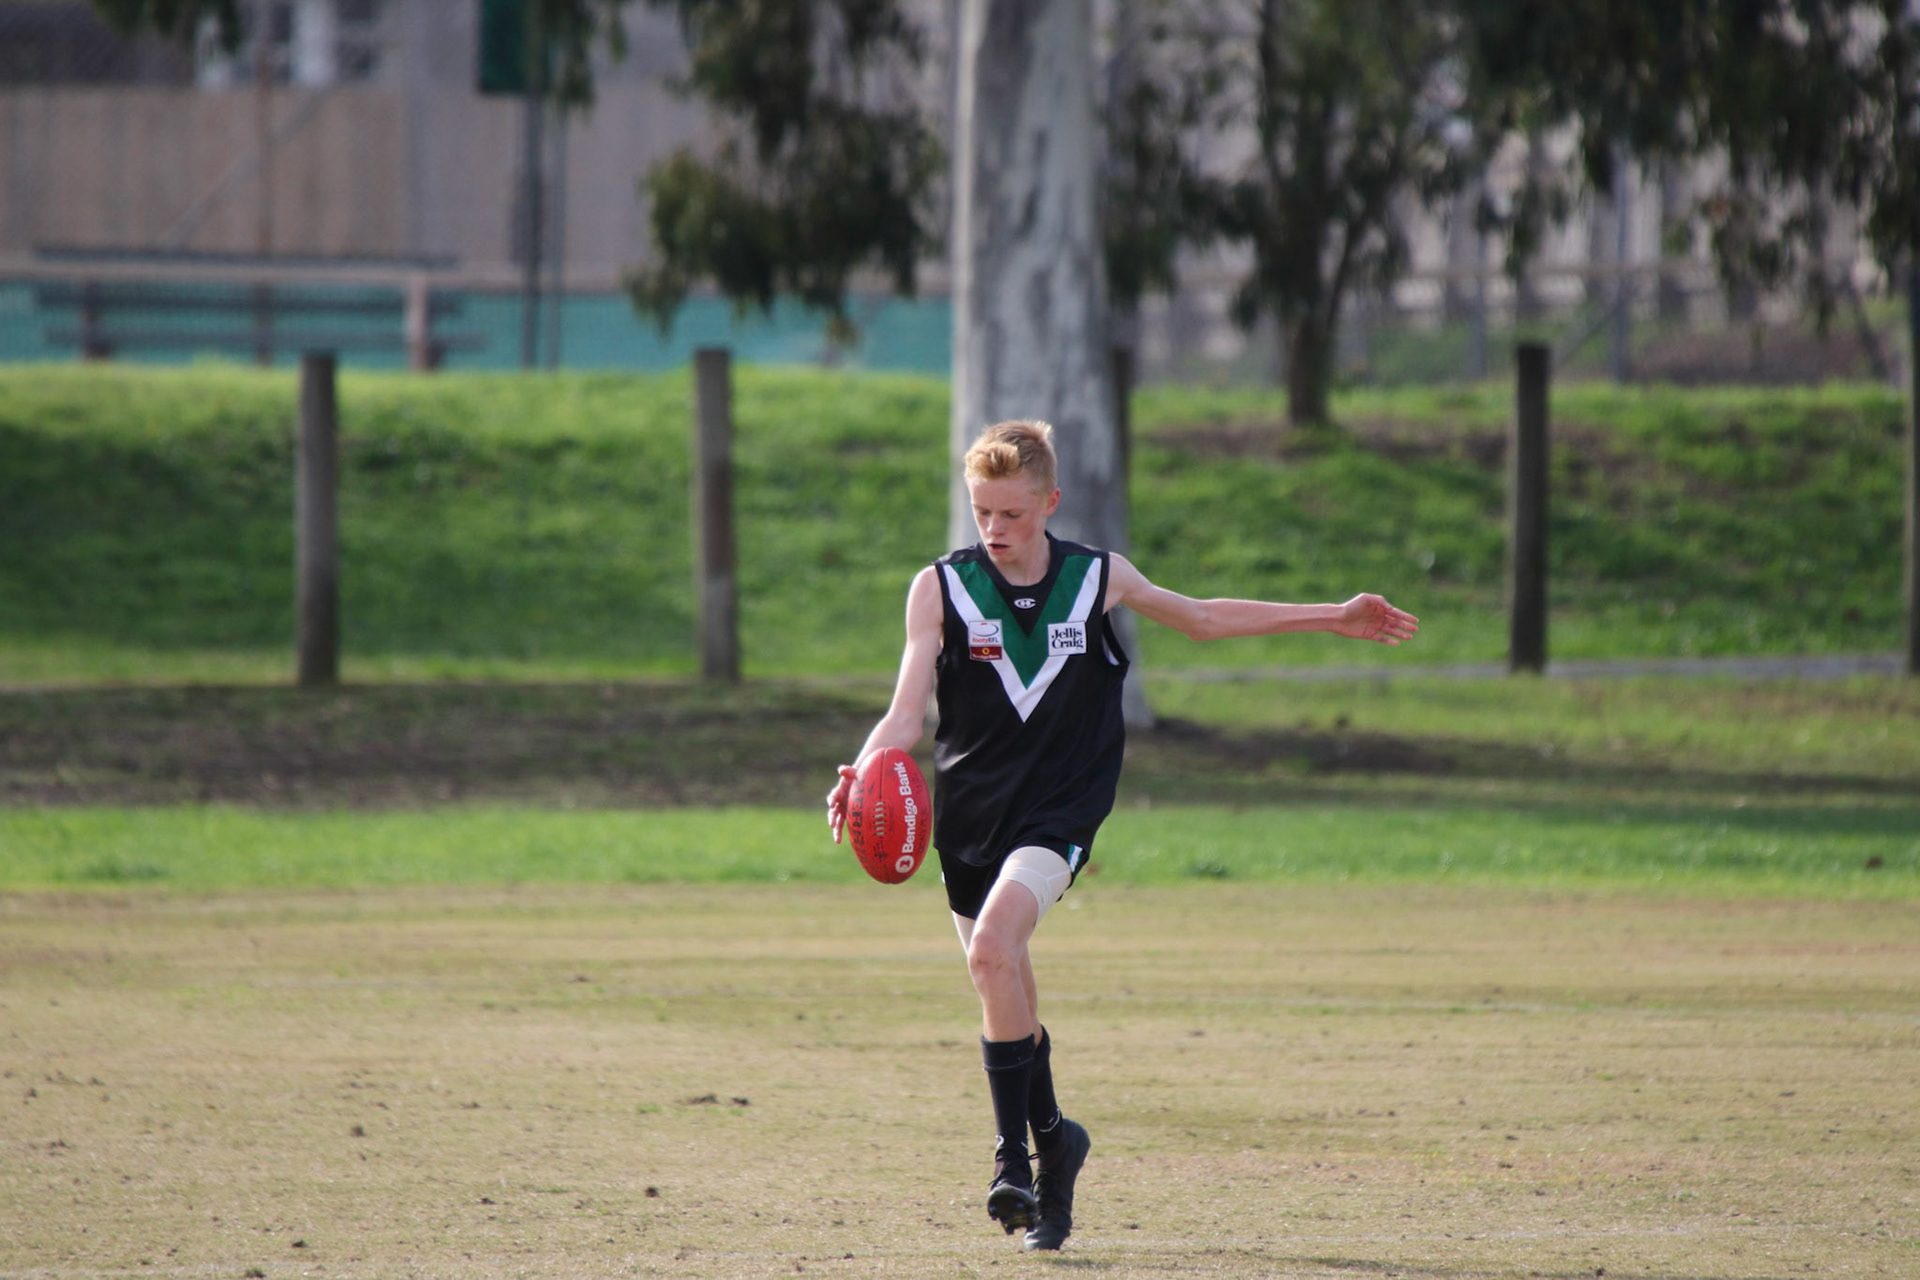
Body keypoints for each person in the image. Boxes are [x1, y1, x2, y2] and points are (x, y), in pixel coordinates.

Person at [825, 419, 1419, 1252]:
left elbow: (1202, 618)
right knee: (1007, 992)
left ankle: (1011, 1162)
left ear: (1050, 503)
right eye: (982, 511)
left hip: (1058, 811)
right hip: (970, 820)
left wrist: (1333, 616)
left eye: (1013, 513)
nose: (995, 528)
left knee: (992, 952)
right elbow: (904, 714)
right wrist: (862, 772)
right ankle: (1058, 1144)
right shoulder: (940, 588)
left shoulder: (1097, 578)